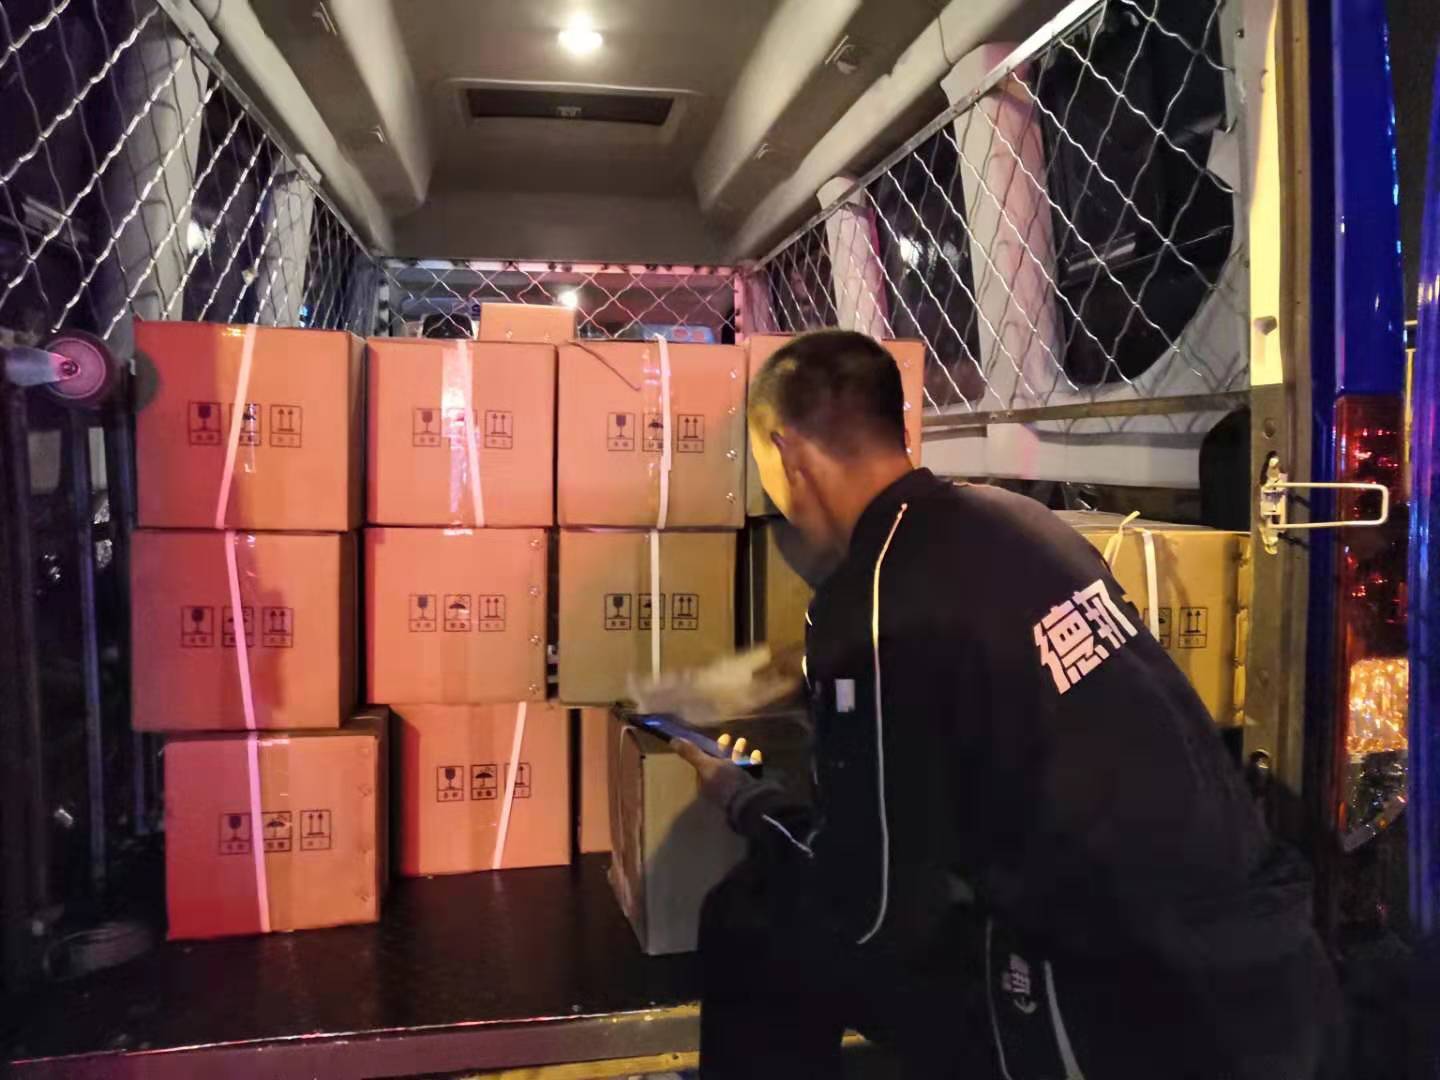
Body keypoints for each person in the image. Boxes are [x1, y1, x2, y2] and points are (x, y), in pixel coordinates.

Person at [673, 330, 1343, 1078]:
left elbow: (876, 905)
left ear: (787, 451)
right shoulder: (1022, 523)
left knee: (751, 919)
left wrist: (750, 803)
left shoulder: (868, 600)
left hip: (1119, 1010)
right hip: (1270, 966)